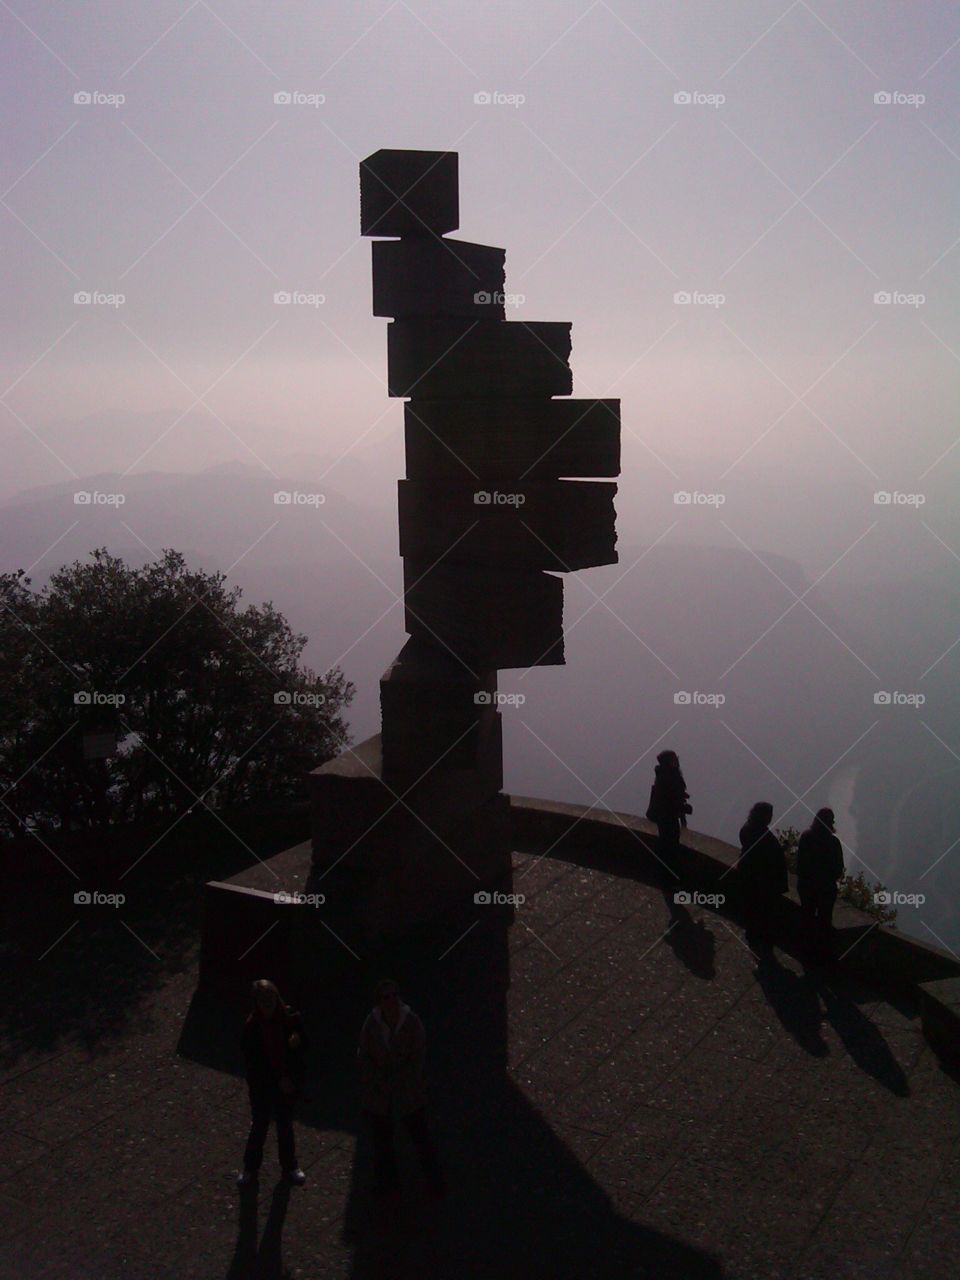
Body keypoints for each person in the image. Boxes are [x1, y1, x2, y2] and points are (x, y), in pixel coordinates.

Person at [358, 979, 444, 1198]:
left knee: (420, 1136)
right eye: (387, 996)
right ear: (379, 1001)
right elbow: (364, 1055)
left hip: (407, 1092)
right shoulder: (372, 1024)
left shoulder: (412, 1022)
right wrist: (378, 1080)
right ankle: (388, 1185)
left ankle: (435, 1181)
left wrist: (398, 1079)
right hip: (380, 1095)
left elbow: (418, 1058)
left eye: (395, 994)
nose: (392, 1000)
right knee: (382, 1143)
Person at [237, 978, 308, 1188]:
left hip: (285, 1084)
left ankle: (290, 1166)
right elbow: (255, 1065)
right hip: (264, 1087)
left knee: (284, 1126)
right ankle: (250, 1168)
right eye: (263, 1001)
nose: (268, 1005)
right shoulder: (252, 1028)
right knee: (260, 1126)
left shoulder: (290, 1019)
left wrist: (298, 1043)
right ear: (257, 1003)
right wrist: (282, 1079)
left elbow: (305, 1044)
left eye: (270, 1000)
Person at [737, 802, 788, 956]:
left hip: (751, 876)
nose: (771, 818)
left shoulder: (747, 828)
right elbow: (767, 856)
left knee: (752, 907)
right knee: (763, 911)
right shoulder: (761, 834)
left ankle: (753, 935)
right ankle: (762, 941)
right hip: (763, 880)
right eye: (769, 815)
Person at [797, 808, 845, 959]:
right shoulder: (833, 842)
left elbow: (800, 864)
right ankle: (821, 954)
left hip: (807, 886)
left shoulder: (806, 837)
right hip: (826, 888)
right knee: (825, 920)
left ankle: (806, 949)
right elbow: (838, 869)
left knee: (807, 916)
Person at [646, 750, 692, 877]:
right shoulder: (669, 777)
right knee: (670, 846)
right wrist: (684, 808)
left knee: (666, 845)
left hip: (665, 817)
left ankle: (666, 873)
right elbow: (670, 799)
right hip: (668, 818)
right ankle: (669, 875)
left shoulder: (663, 776)